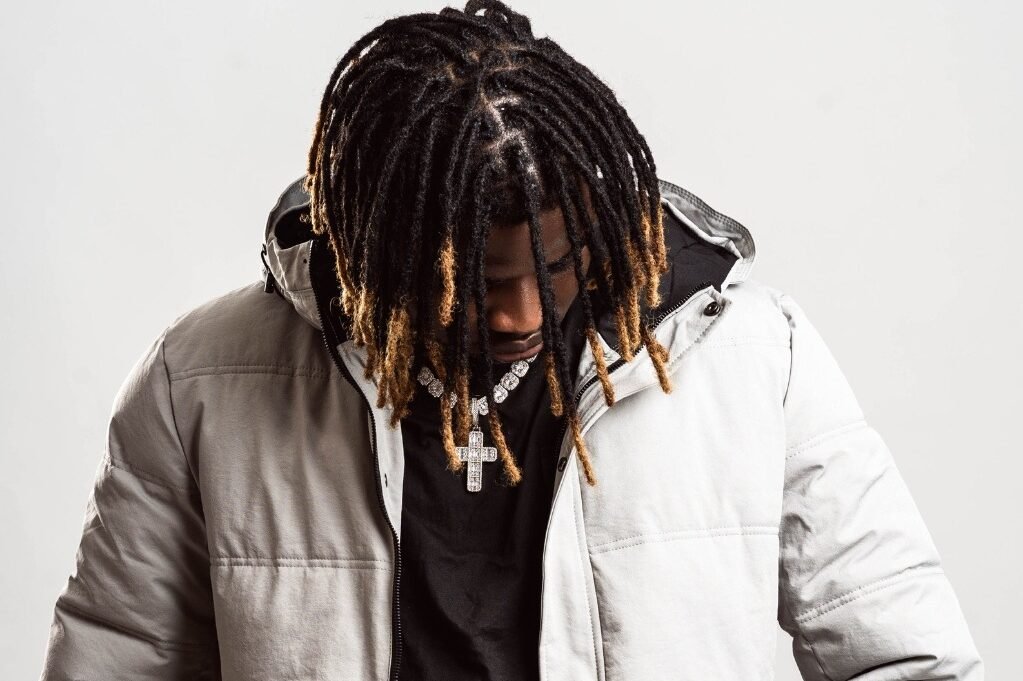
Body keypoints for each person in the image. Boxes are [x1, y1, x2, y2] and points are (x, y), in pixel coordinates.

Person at [39, 1, 983, 679]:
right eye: (475, 285)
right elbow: (117, 656)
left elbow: (902, 653)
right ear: (377, 247)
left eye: (555, 267)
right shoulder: (205, 379)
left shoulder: (749, 358)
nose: (519, 314)